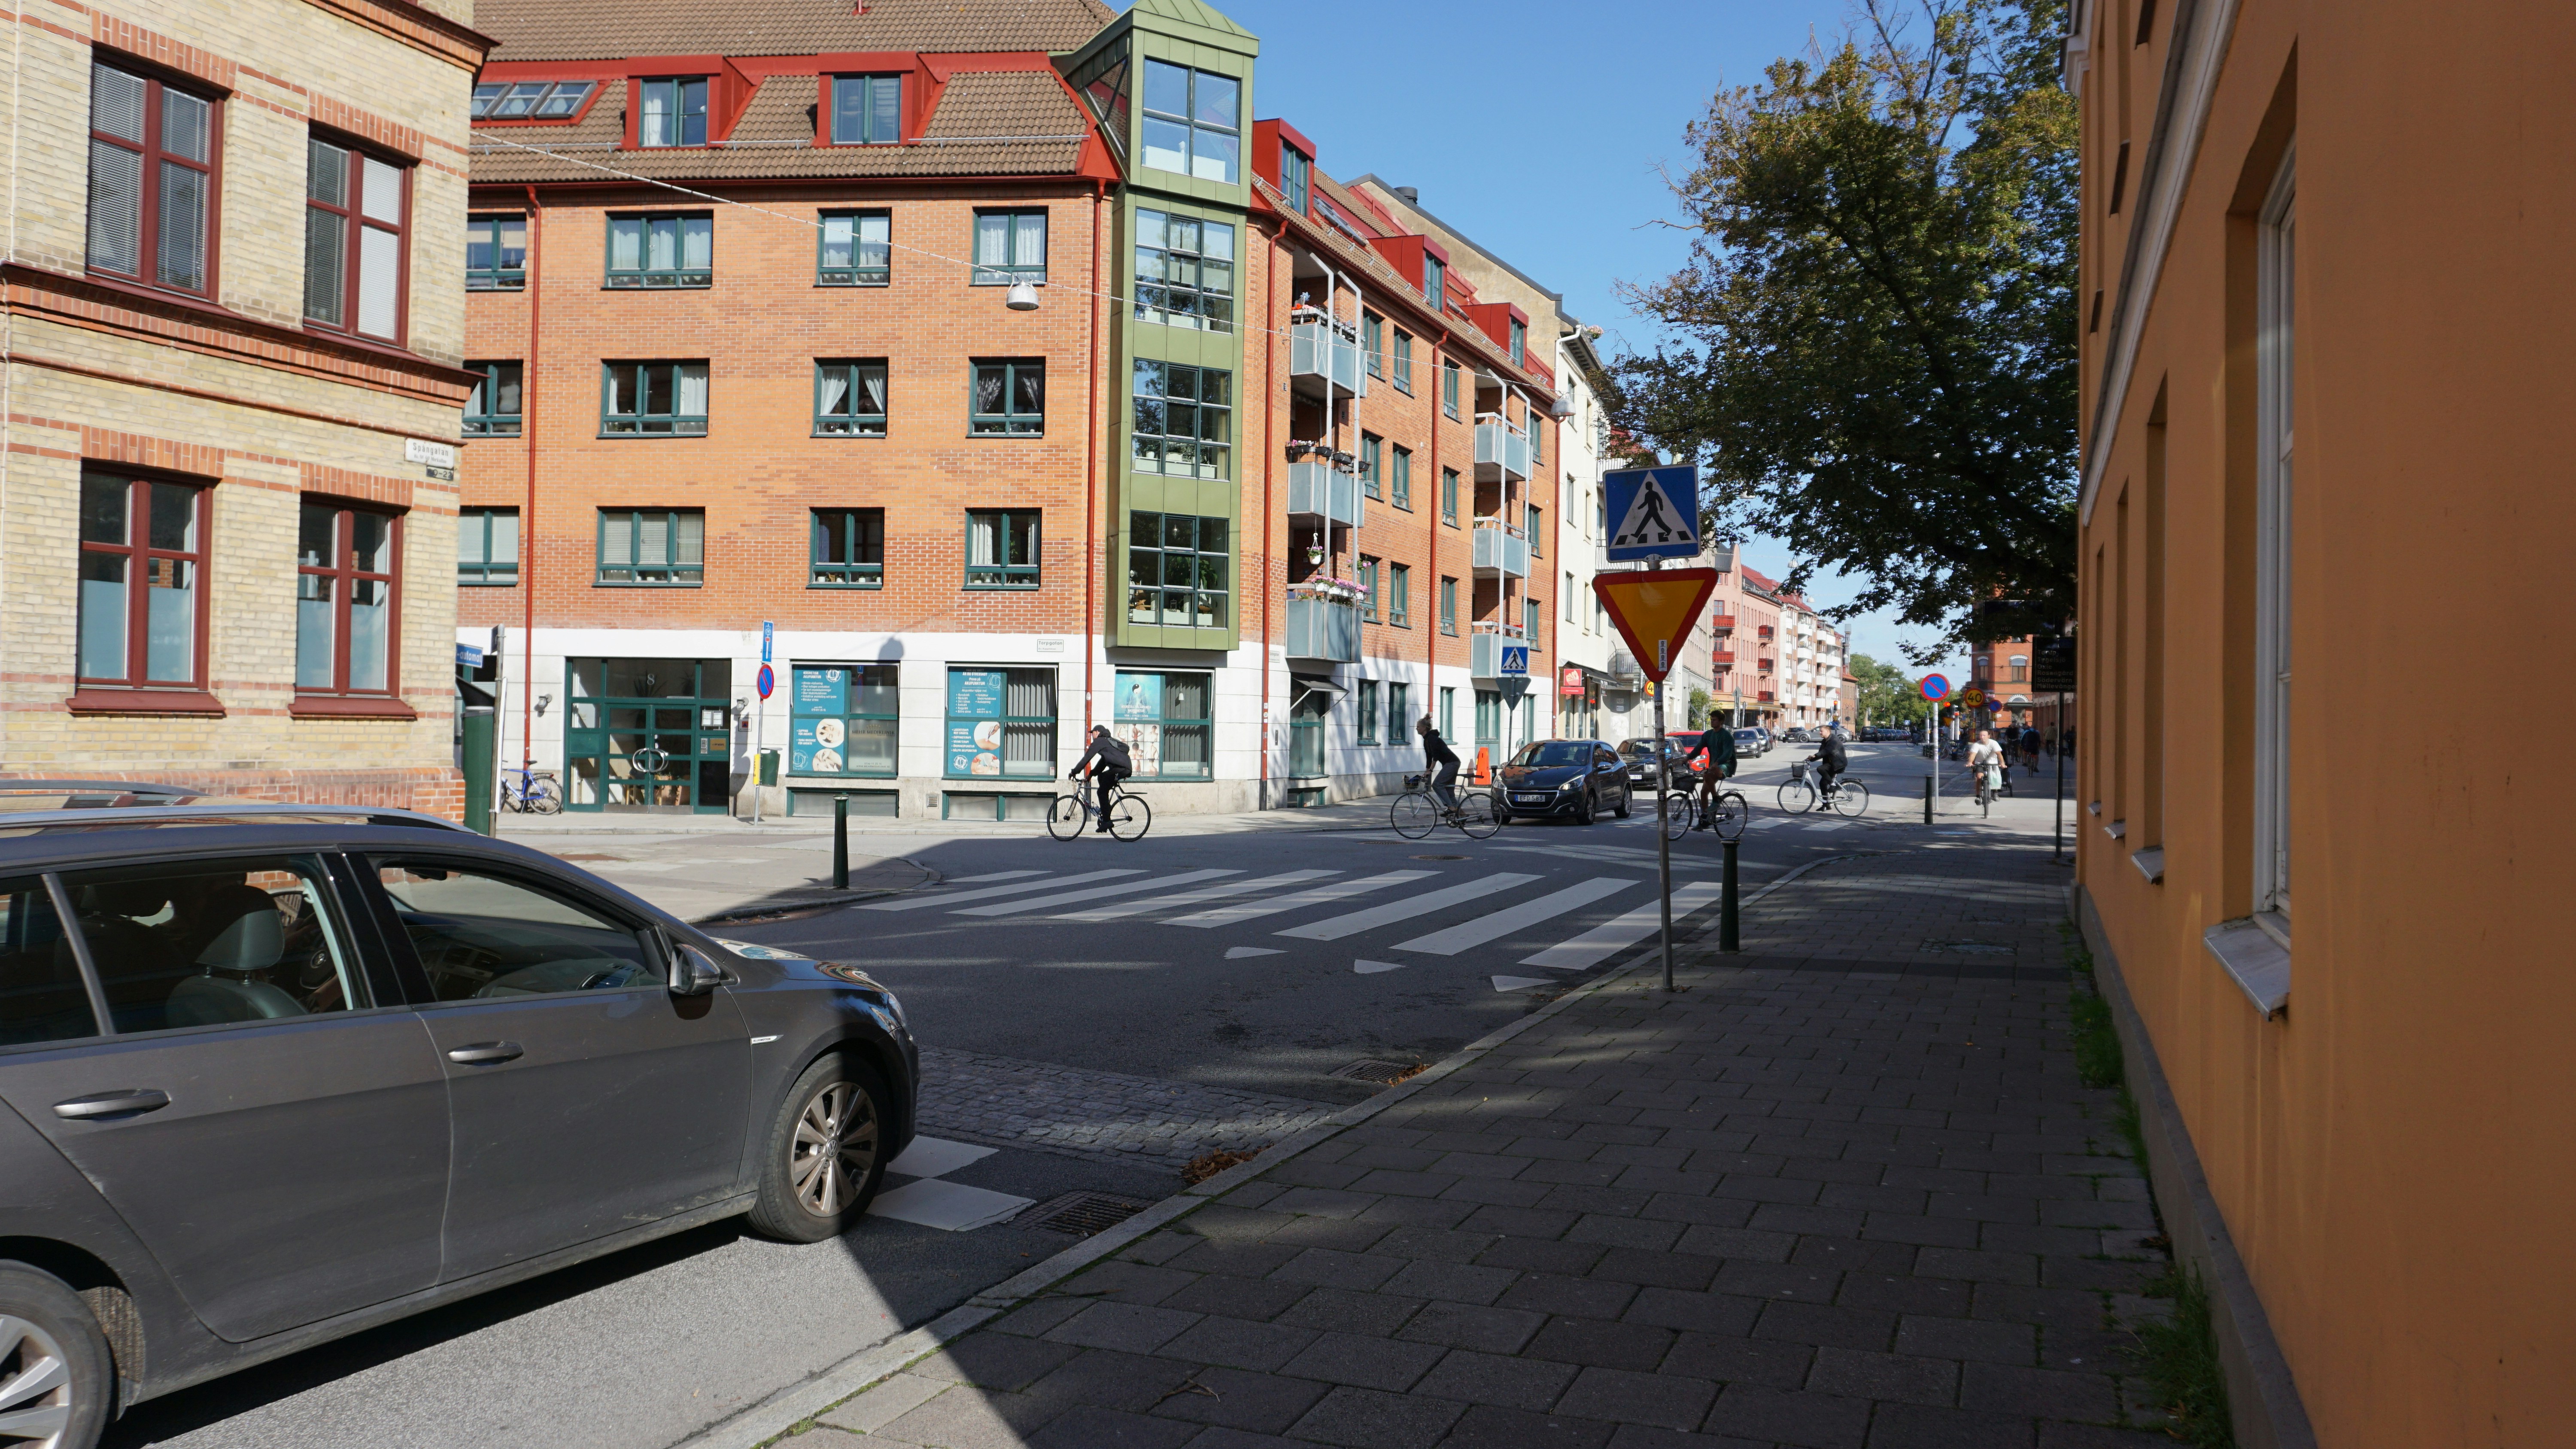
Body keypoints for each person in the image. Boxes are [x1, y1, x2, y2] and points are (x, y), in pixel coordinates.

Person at [1066, 725, 1132, 833]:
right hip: (1122, 769)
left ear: (1097, 732)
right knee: (1102, 777)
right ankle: (1106, 809)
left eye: (1093, 733)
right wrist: (1092, 774)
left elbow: (1087, 758)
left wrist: (1074, 772)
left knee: (1101, 792)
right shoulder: (1107, 742)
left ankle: (1107, 821)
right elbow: (1103, 763)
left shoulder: (1100, 741)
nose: (1092, 736)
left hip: (1121, 769)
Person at [1687, 721, 1737, 830]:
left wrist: (1717, 763)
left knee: (1707, 776)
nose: (1713, 721)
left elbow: (1728, 754)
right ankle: (1705, 819)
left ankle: (1716, 800)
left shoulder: (1727, 736)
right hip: (1714, 765)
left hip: (1726, 765)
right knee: (1704, 792)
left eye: (1715, 719)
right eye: (1712, 719)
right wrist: (1688, 758)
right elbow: (1699, 748)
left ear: (1721, 722)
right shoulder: (1708, 735)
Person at [1416, 715, 1461, 815]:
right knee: (1449, 792)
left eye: (1418, 727)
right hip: (1450, 763)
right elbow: (1429, 756)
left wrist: (1431, 771)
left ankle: (1451, 808)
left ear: (1424, 728)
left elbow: (1435, 757)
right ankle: (1461, 814)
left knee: (1437, 785)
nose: (1417, 729)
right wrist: (1427, 770)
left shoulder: (1432, 739)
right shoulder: (1427, 740)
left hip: (1452, 763)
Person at [1807, 727, 1848, 802]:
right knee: (1823, 784)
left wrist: (1815, 756)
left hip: (1838, 764)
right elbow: (1821, 753)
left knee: (1820, 769)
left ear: (1828, 731)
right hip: (1832, 764)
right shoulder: (1825, 741)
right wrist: (1810, 759)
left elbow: (1827, 751)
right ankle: (1826, 804)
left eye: (1822, 731)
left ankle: (1833, 785)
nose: (1820, 733)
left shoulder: (1834, 740)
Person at [1966, 729, 2006, 798]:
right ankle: (1978, 796)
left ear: (1989, 736)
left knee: (1995, 777)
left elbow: (1999, 754)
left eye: (1984, 735)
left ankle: (1995, 792)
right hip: (1980, 764)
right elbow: (1973, 755)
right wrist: (1970, 762)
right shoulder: (1977, 745)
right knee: (1979, 777)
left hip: (1993, 763)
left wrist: (2002, 763)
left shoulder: (1994, 743)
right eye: (1981, 736)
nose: (1982, 737)